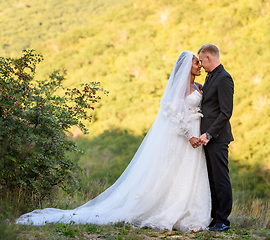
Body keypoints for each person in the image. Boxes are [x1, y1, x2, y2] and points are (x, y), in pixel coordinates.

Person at [16, 51, 212, 232]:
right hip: (185, 136)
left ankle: (188, 211)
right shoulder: (180, 88)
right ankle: (167, 210)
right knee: (172, 172)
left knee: (189, 172)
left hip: (197, 133)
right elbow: (173, 112)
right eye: (197, 62)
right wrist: (189, 135)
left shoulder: (197, 86)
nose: (200, 66)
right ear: (187, 65)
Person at [198, 44, 234, 232]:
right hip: (207, 138)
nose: (201, 65)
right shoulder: (211, 76)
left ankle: (223, 220)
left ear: (210, 58)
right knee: (211, 178)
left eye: (202, 60)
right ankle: (215, 217)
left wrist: (210, 134)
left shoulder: (224, 78)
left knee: (220, 178)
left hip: (217, 138)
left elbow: (225, 112)